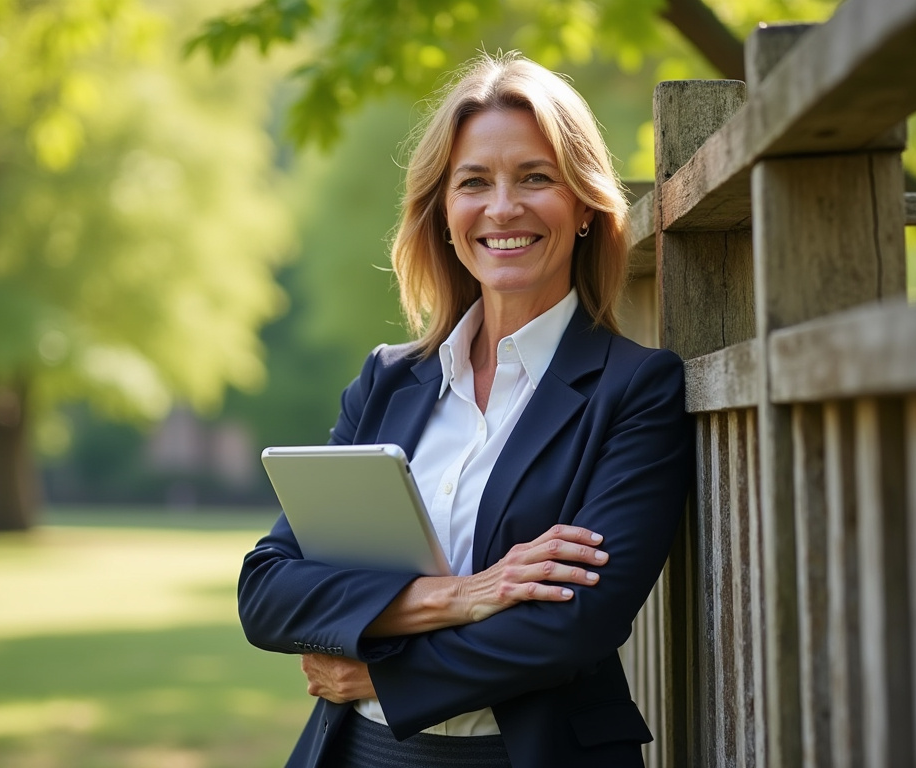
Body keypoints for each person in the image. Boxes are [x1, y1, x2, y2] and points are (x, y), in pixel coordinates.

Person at [238, 51, 692, 768]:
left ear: (580, 205)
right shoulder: (387, 383)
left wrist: (386, 669)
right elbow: (268, 591)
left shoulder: (635, 390)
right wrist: (465, 596)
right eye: (473, 182)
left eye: (535, 178)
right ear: (444, 214)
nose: (502, 207)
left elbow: (576, 624)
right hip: (358, 751)